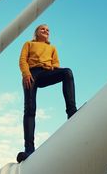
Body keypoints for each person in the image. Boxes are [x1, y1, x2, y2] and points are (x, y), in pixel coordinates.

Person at [17, 24, 77, 163]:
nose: (46, 31)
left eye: (48, 30)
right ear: (36, 33)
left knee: (67, 72)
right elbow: (22, 60)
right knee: (30, 110)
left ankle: (71, 111)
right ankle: (29, 150)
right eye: (42, 29)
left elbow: (56, 63)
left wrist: (51, 67)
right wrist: (26, 73)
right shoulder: (29, 44)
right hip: (31, 75)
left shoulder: (52, 48)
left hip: (46, 73)